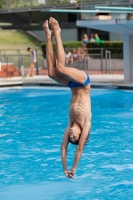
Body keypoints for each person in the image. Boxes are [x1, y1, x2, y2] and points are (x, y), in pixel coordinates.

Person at [43, 17, 92, 179]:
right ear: (80, 136)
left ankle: (48, 36)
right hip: (83, 82)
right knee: (61, 67)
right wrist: (73, 168)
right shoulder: (86, 124)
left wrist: (64, 169)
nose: (71, 134)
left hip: (72, 86)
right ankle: (57, 32)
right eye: (74, 137)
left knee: (52, 73)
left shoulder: (70, 125)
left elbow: (63, 148)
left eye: (69, 136)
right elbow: (79, 149)